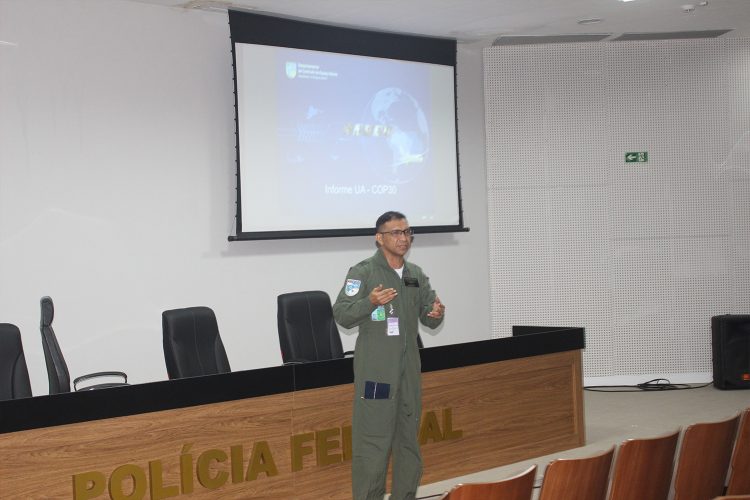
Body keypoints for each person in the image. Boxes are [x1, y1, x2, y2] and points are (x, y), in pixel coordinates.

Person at [333, 211, 445, 500]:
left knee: (408, 444)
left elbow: (429, 316)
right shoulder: (363, 272)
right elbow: (341, 314)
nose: (403, 238)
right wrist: (369, 302)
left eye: (407, 232)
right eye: (396, 232)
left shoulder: (415, 274)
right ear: (379, 238)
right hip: (377, 374)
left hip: (408, 373)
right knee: (373, 445)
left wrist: (435, 313)